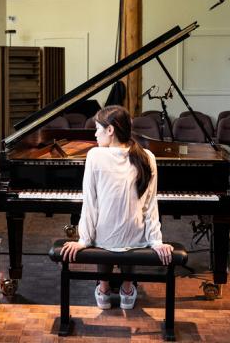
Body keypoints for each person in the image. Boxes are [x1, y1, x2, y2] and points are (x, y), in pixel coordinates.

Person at [60, 105, 174, 310]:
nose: (95, 134)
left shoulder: (94, 155)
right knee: (130, 227)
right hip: (137, 235)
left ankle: (103, 290)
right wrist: (156, 241)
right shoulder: (148, 156)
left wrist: (84, 240)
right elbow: (150, 204)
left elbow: (90, 203)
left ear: (110, 130)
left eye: (97, 129)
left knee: (104, 227)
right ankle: (128, 289)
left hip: (104, 236)